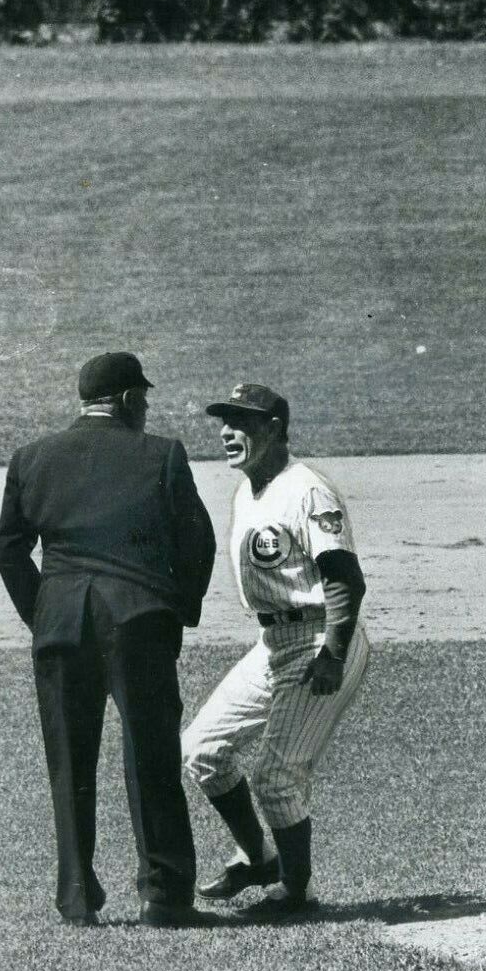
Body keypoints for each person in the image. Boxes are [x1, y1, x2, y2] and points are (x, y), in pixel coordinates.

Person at [0, 352, 217, 928]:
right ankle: (163, 897)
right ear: (125, 401)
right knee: (152, 755)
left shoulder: (32, 458)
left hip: (62, 620)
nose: (145, 409)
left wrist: (43, 613)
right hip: (137, 619)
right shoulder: (161, 454)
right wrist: (177, 611)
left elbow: (9, 549)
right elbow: (198, 542)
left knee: (69, 761)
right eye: (142, 398)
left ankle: (76, 897)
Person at [181, 383, 371, 918]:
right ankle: (260, 860)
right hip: (274, 643)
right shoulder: (249, 490)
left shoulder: (308, 491)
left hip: (319, 640)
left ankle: (295, 893)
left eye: (241, 422)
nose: (227, 432)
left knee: (275, 777)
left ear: (275, 428)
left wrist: (332, 653)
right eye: (224, 421)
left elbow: (345, 580)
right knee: (201, 751)